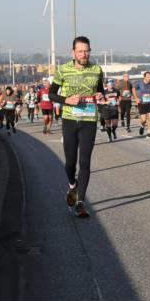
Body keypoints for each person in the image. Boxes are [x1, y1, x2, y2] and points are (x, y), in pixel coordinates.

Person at [50, 37, 105, 218]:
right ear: (73, 52)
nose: (84, 54)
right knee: (70, 163)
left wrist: (100, 96)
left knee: (85, 162)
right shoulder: (63, 70)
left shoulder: (97, 70)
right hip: (70, 119)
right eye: (80, 51)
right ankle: (72, 185)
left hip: (89, 119)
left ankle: (81, 203)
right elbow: (51, 94)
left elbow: (100, 90)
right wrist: (66, 100)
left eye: (87, 50)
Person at [134, 71, 150, 137]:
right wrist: (136, 98)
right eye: (148, 77)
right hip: (142, 103)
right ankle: (142, 126)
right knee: (143, 120)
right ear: (144, 77)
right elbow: (133, 89)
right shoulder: (139, 83)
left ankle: (148, 133)